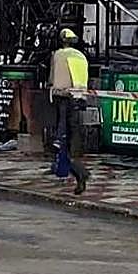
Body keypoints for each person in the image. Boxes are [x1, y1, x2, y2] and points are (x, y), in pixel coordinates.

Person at [48, 27, 90, 194]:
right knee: (74, 137)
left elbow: (52, 78)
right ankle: (73, 171)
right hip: (79, 97)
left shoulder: (58, 55)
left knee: (62, 136)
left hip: (63, 97)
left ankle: (78, 172)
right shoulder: (81, 56)